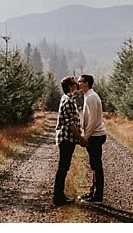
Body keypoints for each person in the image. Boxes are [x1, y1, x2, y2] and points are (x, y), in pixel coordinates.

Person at [53, 75, 87, 206]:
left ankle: (60, 196)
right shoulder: (67, 101)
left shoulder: (70, 99)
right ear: (69, 87)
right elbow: (70, 124)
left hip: (69, 140)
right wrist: (81, 139)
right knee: (63, 168)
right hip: (66, 140)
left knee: (64, 167)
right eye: (74, 83)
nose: (77, 85)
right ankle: (58, 198)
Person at [77, 74, 107, 204]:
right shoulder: (88, 96)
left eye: (80, 81)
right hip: (94, 135)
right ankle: (93, 192)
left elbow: (93, 120)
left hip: (96, 136)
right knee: (94, 165)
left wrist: (85, 137)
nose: (78, 84)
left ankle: (97, 196)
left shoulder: (91, 97)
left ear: (87, 83)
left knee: (96, 166)